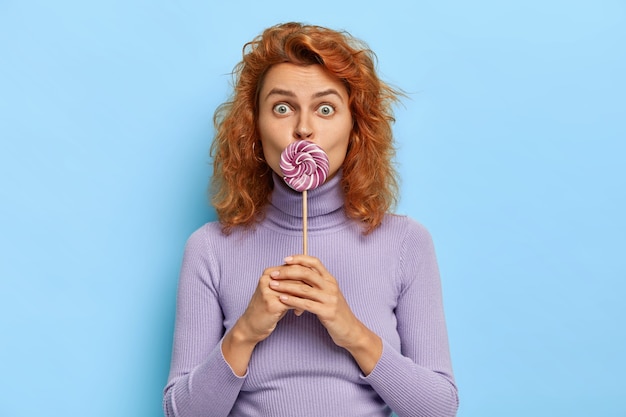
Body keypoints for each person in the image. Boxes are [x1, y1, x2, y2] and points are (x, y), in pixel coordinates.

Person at [163, 22, 458, 417]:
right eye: (282, 107)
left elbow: (438, 409)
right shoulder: (210, 248)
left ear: (356, 128)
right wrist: (246, 331)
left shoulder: (406, 242)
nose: (303, 128)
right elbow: (182, 413)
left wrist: (349, 329)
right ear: (254, 127)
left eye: (325, 108)